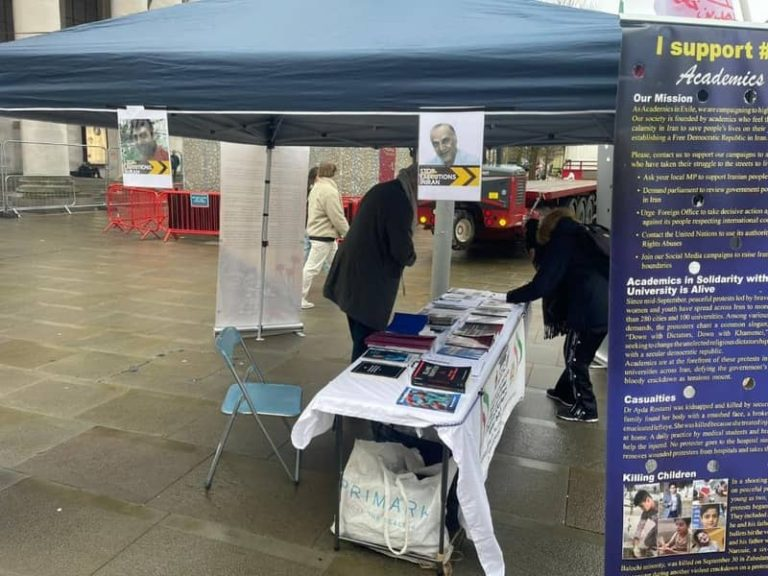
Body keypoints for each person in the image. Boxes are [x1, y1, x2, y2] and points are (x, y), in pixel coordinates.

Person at [505, 207, 608, 423]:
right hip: (602, 306)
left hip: (590, 310)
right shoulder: (579, 233)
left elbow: (544, 283)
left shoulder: (563, 241)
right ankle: (565, 392)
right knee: (575, 351)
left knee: (576, 359)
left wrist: (510, 296)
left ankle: (587, 409)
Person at [324, 163, 417, 362]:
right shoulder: (400, 201)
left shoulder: (383, 190)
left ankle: (357, 372)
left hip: (355, 275)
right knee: (367, 344)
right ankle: (357, 377)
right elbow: (401, 249)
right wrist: (411, 256)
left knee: (361, 337)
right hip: (369, 282)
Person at [301, 162, 348, 310]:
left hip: (321, 234)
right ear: (333, 173)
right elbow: (337, 216)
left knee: (336, 266)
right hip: (323, 236)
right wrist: (348, 233)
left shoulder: (316, 188)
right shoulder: (329, 191)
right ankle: (299, 297)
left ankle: (340, 294)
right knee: (311, 268)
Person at [632, 490, 659, 558]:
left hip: (664, 528)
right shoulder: (645, 512)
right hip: (657, 528)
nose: (642, 509)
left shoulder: (660, 505)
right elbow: (640, 528)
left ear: (648, 500)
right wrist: (635, 545)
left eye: (642, 506)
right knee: (647, 541)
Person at [303, 166, 319, 263]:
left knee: (306, 249)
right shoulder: (316, 190)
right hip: (312, 224)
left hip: (307, 224)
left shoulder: (307, 188)